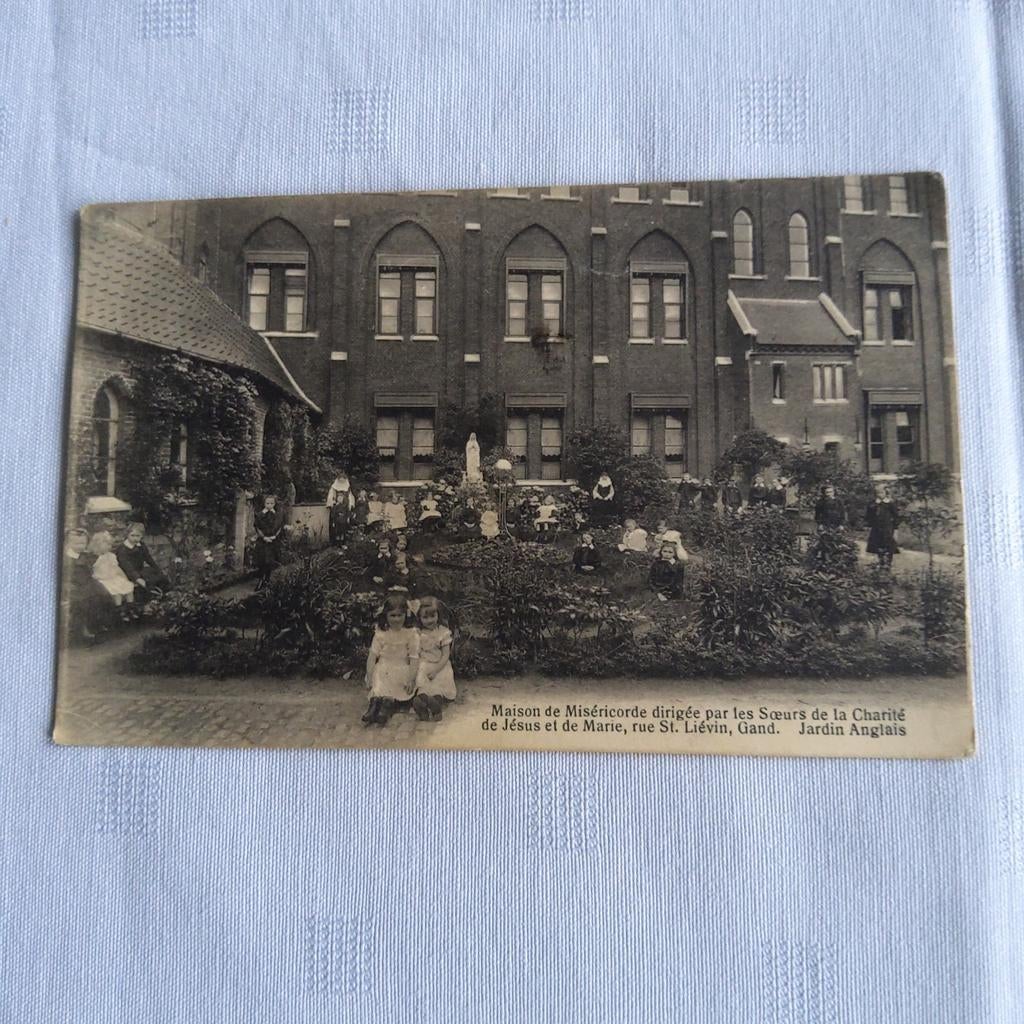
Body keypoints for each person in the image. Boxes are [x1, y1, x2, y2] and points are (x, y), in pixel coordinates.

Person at [362, 593, 420, 726]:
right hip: (383, 666)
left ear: (406, 615)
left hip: (402, 667)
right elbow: (372, 656)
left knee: (394, 683)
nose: (396, 619)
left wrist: (411, 679)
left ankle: (386, 709)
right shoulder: (381, 633)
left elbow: (414, 658)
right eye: (392, 615)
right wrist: (369, 676)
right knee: (379, 678)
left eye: (400, 615)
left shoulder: (411, 634)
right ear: (386, 616)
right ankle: (373, 707)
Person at [412, 596, 456, 722]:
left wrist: (436, 669)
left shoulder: (443, 632)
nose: (429, 620)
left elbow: (445, 655)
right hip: (424, 663)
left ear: (438, 615)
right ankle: (421, 704)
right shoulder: (418, 633)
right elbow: (416, 652)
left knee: (440, 682)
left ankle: (436, 705)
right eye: (425, 617)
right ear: (419, 619)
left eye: (433, 616)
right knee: (423, 683)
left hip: (440, 664)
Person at [63, 527, 105, 641]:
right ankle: (81, 629)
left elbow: (93, 564)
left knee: (101, 595)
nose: (80, 546)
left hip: (87, 582)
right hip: (74, 584)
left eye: (83, 543)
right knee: (82, 602)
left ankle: (97, 623)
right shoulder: (66, 558)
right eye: (76, 543)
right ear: (68, 543)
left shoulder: (85, 555)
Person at [116, 522, 170, 599]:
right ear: (127, 535)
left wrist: (157, 569)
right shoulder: (122, 550)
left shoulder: (141, 545)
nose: (135, 538)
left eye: (138, 536)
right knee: (147, 582)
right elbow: (128, 568)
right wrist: (138, 579)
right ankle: (151, 596)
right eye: (132, 535)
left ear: (142, 536)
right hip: (126, 573)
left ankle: (163, 594)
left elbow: (148, 558)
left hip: (139, 570)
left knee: (158, 576)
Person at [88, 531, 135, 616]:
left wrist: (125, 577)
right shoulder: (94, 558)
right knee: (116, 593)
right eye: (106, 544)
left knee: (129, 588)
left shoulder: (111, 556)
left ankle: (130, 608)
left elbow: (117, 568)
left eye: (110, 545)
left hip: (113, 577)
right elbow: (91, 570)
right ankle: (119, 610)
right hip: (103, 579)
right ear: (97, 545)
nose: (109, 547)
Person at [252, 495, 285, 590]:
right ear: (264, 503)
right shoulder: (260, 514)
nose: (269, 505)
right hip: (263, 541)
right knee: (262, 560)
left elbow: (280, 527)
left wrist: (275, 536)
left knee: (270, 561)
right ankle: (261, 579)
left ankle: (267, 579)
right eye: (267, 503)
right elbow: (257, 527)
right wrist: (263, 537)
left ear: (274, 504)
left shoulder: (277, 515)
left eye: (271, 503)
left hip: (273, 541)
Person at [866, 486, 901, 569]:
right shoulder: (873, 503)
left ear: (886, 493)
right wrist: (870, 524)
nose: (880, 495)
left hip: (887, 528)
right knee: (878, 544)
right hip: (877, 528)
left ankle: (888, 562)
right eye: (878, 493)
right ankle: (881, 560)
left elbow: (896, 516)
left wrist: (895, 528)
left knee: (888, 545)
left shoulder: (890, 503)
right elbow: (869, 515)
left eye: (881, 493)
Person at [325, 472, 353, 546]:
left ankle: (343, 542)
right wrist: (332, 503)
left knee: (343, 527)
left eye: (343, 479)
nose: (342, 480)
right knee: (335, 527)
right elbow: (331, 496)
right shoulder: (334, 487)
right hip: (336, 509)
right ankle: (335, 543)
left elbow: (350, 497)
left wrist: (350, 504)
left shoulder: (347, 487)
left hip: (345, 508)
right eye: (340, 479)